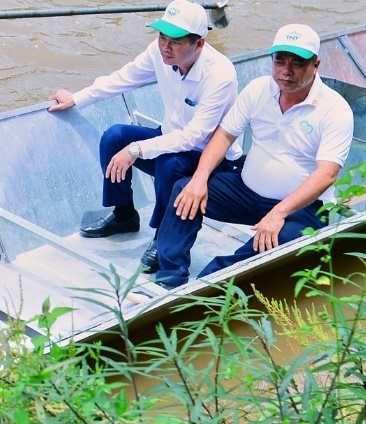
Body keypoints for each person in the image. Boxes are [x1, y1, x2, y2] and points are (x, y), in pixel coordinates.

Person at [151, 24, 353, 290]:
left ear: (316, 65)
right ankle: (170, 276)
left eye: (297, 63)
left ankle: (209, 284)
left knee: (286, 237)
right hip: (248, 192)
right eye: (280, 60)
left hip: (301, 209)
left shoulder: (335, 109)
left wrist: (278, 213)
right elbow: (223, 135)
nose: (286, 71)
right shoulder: (259, 89)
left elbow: (326, 174)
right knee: (184, 190)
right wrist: (199, 179)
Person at [48, 0, 241, 270]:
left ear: (199, 43)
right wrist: (77, 98)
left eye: (175, 40)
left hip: (210, 158)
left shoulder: (220, 75)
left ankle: (163, 234)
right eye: (161, 36)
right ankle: (124, 214)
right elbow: (123, 78)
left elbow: (193, 137)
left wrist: (137, 150)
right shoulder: (159, 52)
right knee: (114, 137)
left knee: (169, 162)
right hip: (170, 136)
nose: (165, 46)